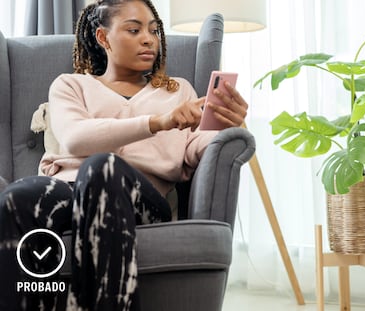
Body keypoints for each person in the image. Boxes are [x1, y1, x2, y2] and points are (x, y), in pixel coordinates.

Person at [0, 0, 248, 310]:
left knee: (103, 168)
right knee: (18, 195)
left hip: (138, 198)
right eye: (134, 29)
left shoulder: (178, 91)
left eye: (154, 31)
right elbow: (76, 139)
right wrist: (160, 122)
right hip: (68, 188)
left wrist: (224, 125)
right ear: (103, 38)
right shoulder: (71, 86)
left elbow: (195, 149)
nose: (149, 39)